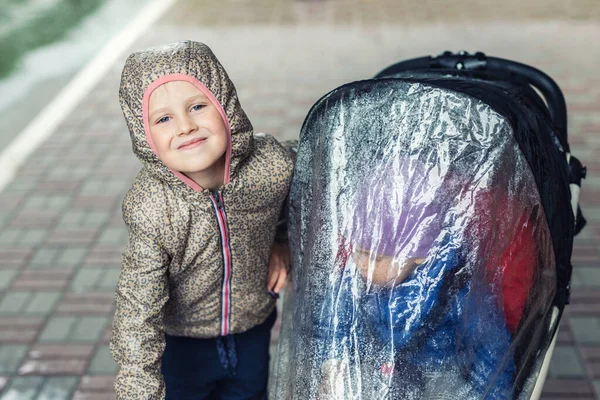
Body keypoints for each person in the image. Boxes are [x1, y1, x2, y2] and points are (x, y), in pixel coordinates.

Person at [110, 40, 294, 400]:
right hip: (183, 346)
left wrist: (282, 241)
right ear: (144, 136)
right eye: (163, 118)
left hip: (253, 328)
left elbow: (297, 200)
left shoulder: (271, 166)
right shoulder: (153, 208)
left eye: (197, 106)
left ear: (226, 107)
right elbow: (137, 309)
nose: (185, 127)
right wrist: (139, 389)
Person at [316, 157, 516, 399]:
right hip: (375, 372)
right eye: (357, 253)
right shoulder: (356, 280)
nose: (361, 267)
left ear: (419, 254)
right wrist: (332, 360)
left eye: (374, 259)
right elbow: (336, 321)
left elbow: (490, 350)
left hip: (437, 377)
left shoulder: (455, 287)